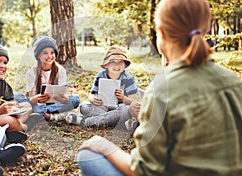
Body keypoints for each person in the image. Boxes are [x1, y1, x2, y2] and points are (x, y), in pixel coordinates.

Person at [77, 0, 242, 175]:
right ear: (205, 29)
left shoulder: (162, 90)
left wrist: (104, 146)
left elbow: (145, 170)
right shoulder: (233, 81)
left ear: (161, 33)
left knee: (87, 155)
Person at [66, 46, 141, 131]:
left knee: (126, 110)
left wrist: (123, 98)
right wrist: (93, 99)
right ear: (106, 64)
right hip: (103, 107)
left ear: (125, 65)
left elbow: (135, 101)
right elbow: (92, 94)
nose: (117, 65)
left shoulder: (128, 78)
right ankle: (113, 120)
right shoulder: (100, 76)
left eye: (120, 62)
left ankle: (85, 121)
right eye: (113, 62)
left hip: (120, 108)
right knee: (84, 107)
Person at [25, 36, 80, 123]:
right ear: (38, 55)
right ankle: (56, 115)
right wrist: (37, 98)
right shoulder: (31, 72)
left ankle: (44, 114)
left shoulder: (60, 70)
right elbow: (31, 99)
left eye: (52, 52)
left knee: (75, 99)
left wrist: (65, 99)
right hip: (39, 103)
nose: (49, 56)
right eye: (45, 53)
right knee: (26, 103)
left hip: (55, 102)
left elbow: (62, 93)